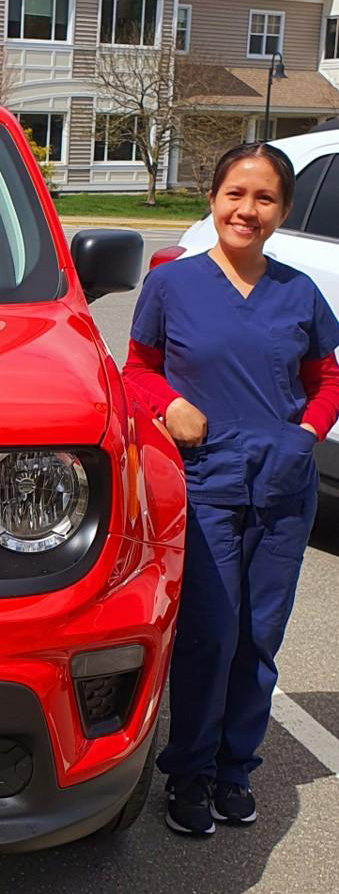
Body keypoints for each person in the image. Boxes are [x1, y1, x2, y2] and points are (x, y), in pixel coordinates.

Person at [121, 141, 339, 837]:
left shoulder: (297, 291)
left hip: (281, 488)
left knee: (257, 636)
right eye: (234, 194)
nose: (246, 209)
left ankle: (233, 768)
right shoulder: (172, 285)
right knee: (208, 635)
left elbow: (325, 380)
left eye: (264, 197)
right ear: (212, 200)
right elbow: (135, 371)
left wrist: (302, 438)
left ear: (282, 210)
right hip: (206, 482)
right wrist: (165, 406)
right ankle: (186, 770)